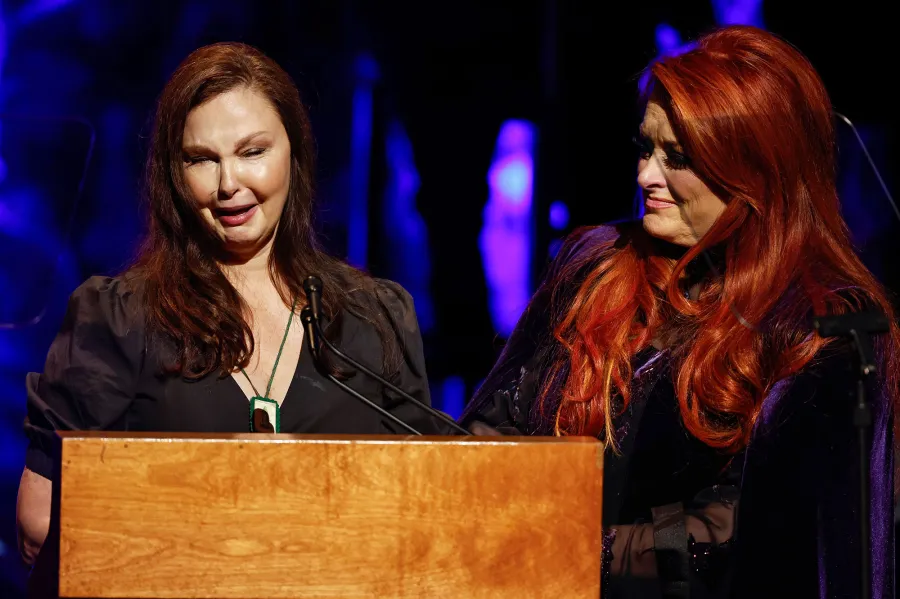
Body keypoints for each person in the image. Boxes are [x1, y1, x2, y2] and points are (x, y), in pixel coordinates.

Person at [460, 25, 898, 599]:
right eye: (646, 149)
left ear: (754, 168)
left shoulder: (822, 324)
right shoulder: (597, 263)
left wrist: (580, 549)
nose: (646, 176)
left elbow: (741, 527)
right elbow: (499, 422)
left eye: (678, 158)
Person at [16, 42, 442, 569]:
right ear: (174, 174)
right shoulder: (120, 319)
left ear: (295, 153)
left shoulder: (374, 319)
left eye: (252, 152)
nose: (228, 184)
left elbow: (426, 512)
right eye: (201, 159)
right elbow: (40, 524)